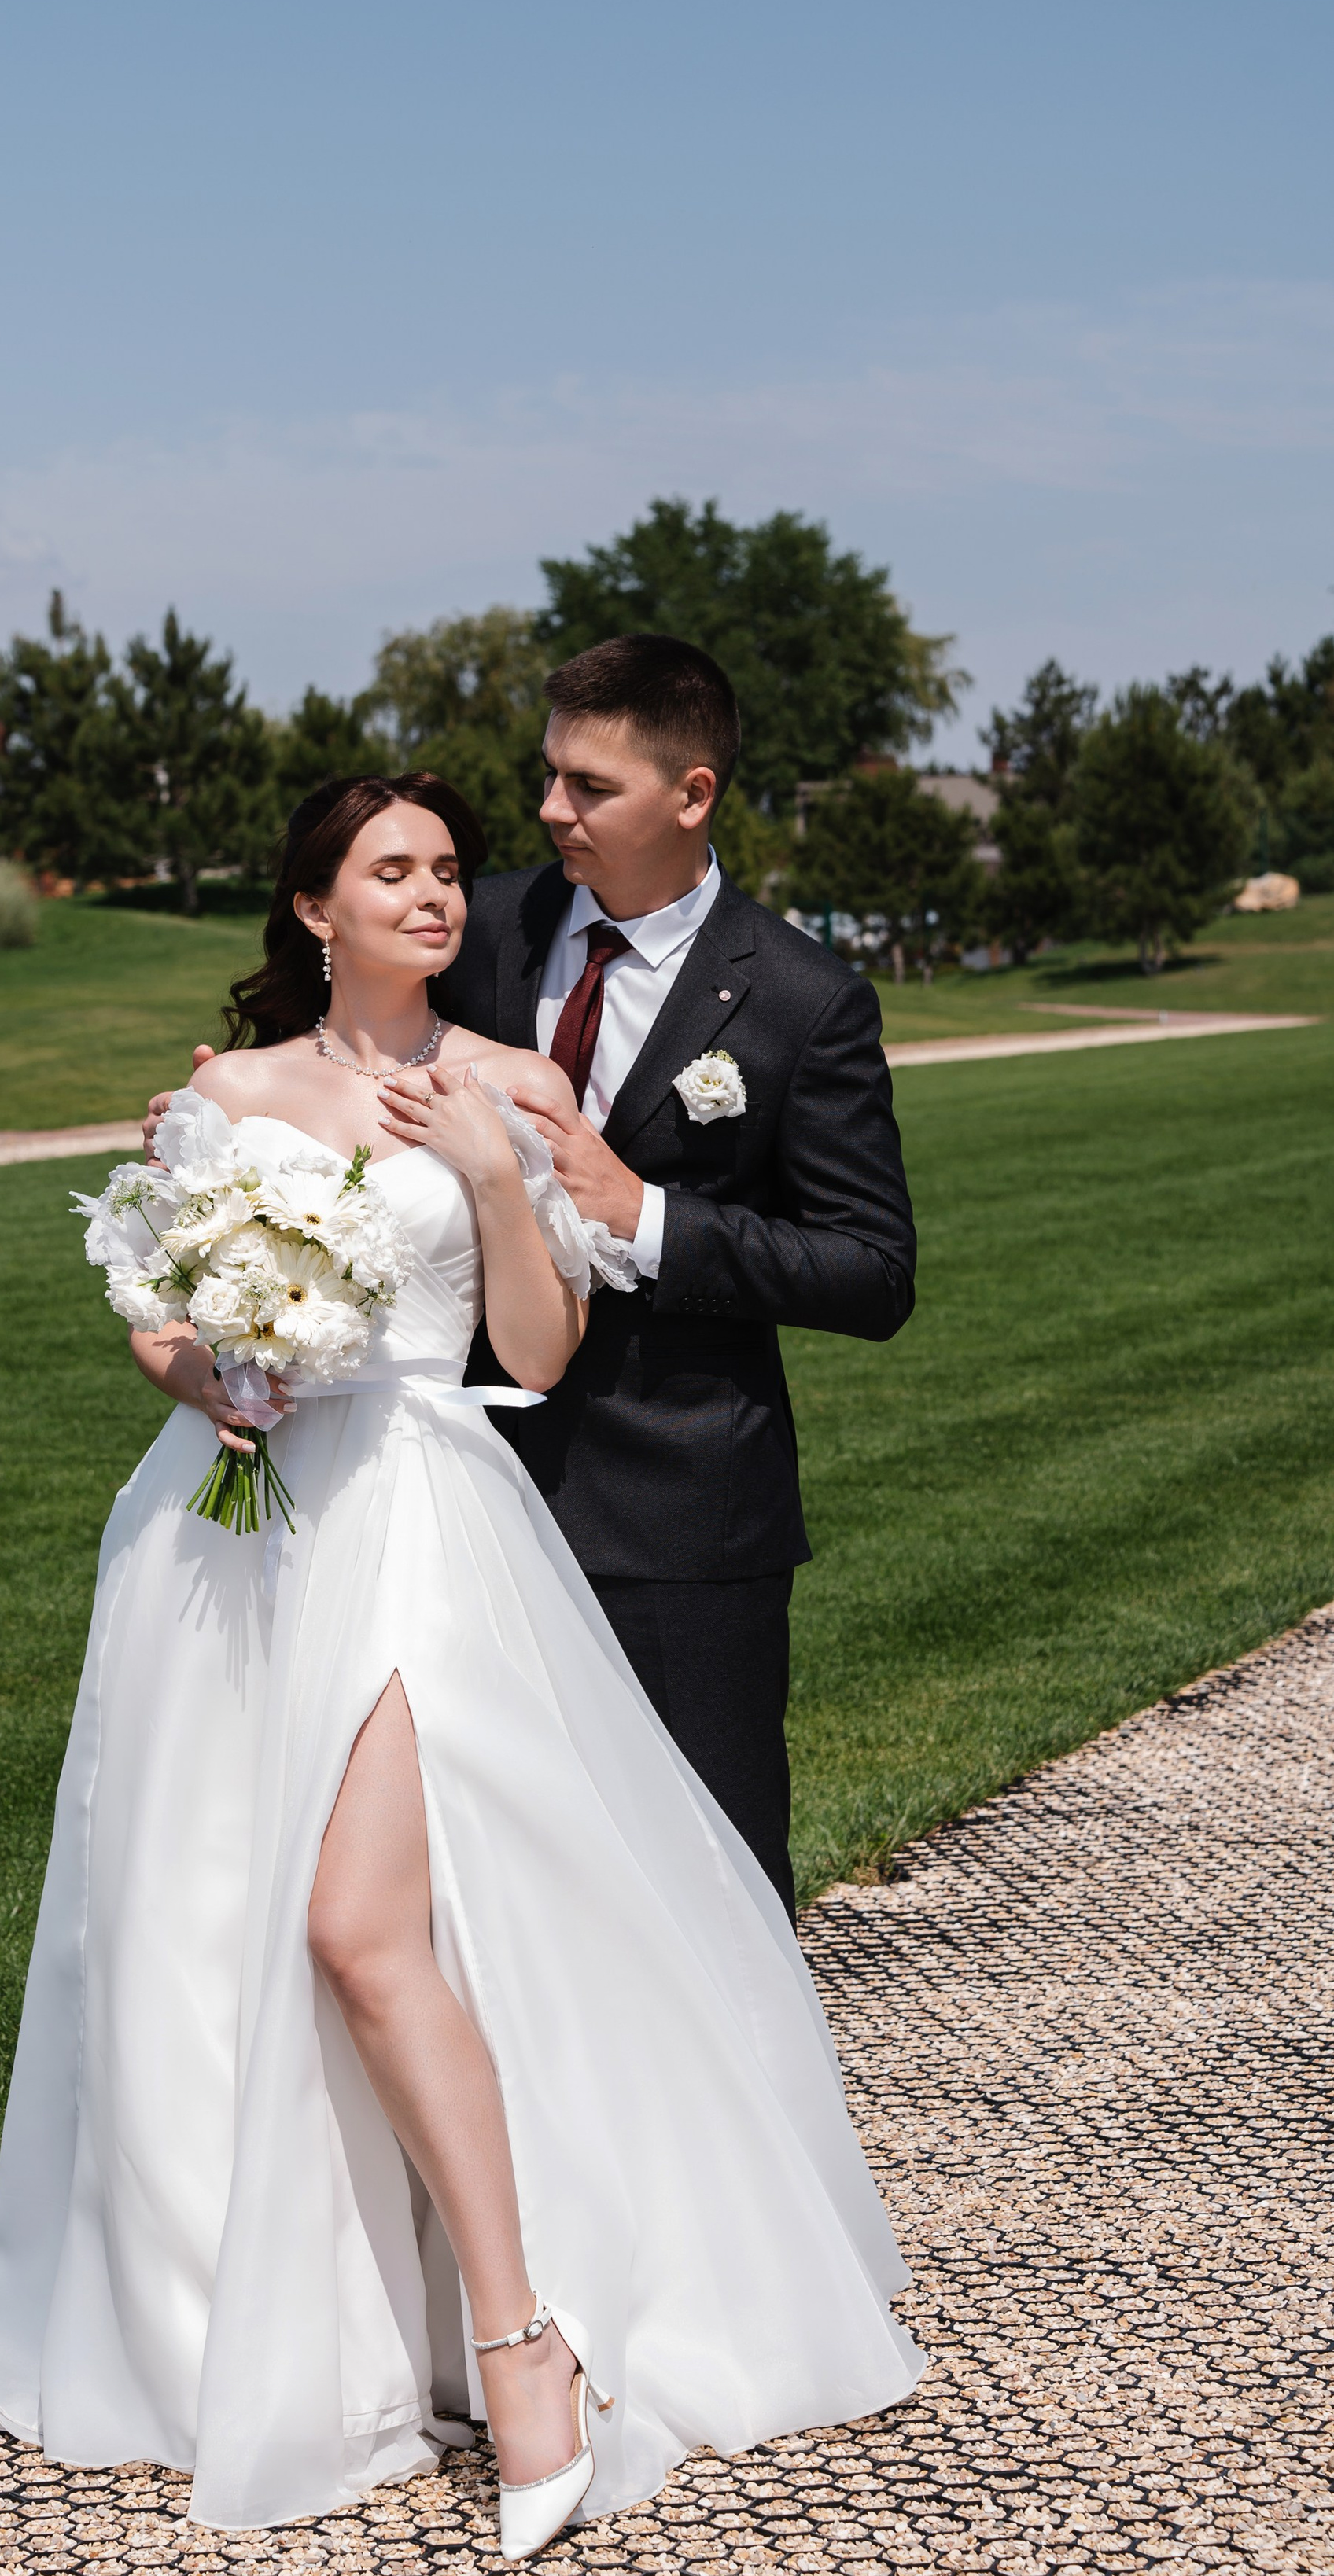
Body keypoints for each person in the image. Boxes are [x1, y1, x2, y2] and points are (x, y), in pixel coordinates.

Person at [0, 769, 923, 2558]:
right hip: (231, 1532)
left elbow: (540, 1352)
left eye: (450, 870)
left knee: (355, 1927)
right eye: (391, 869)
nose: (435, 893)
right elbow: (158, 1312)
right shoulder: (227, 1096)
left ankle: (521, 2338)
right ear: (310, 905)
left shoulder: (514, 1084)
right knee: (210, 1923)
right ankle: (290, 2326)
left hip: (415, 1506)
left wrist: (488, 1173)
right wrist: (214, 1372)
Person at [148, 632, 919, 1917]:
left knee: (707, 1879)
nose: (552, 809)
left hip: (673, 1508)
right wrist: (215, 1136)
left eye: (590, 787)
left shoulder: (801, 998)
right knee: (476, 1902)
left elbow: (873, 1269)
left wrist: (648, 1217)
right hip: (435, 1494)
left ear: (693, 795)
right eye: (550, 774)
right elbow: (339, 1044)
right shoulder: (481, 919)